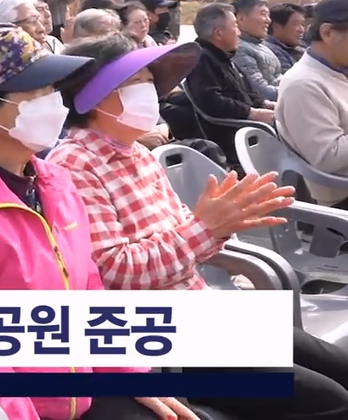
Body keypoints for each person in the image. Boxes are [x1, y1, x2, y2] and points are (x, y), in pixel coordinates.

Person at [0, 24, 209, 420]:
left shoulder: (53, 181)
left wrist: (130, 373)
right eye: (38, 92)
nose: (56, 103)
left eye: (53, 89)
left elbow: (87, 290)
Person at [49, 32, 348, 420]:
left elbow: (182, 240)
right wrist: (205, 229)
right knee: (329, 400)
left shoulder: (138, 153)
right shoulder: (74, 165)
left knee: (337, 365)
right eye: (132, 84)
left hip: (203, 309)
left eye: (148, 81)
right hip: (158, 333)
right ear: (92, 97)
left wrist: (222, 224)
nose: (149, 93)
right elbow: (112, 269)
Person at [276, 0, 348, 209]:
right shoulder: (303, 85)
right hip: (340, 197)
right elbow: (328, 157)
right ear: (327, 33)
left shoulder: (336, 70)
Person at [186, 3, 274, 162]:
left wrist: (266, 105)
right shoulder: (202, 59)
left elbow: (248, 92)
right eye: (235, 26)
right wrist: (251, 113)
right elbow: (212, 101)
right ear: (218, 33)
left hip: (249, 125)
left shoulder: (225, 57)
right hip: (236, 133)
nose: (239, 33)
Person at [231, 0, 280, 101]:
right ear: (241, 19)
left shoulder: (261, 45)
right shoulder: (240, 50)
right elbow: (261, 92)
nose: (268, 20)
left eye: (268, 15)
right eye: (263, 14)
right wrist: (296, 91)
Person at [265, 3, 307, 73]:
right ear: (277, 27)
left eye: (303, 24)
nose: (301, 30)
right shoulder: (271, 52)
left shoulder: (299, 49)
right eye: (295, 24)